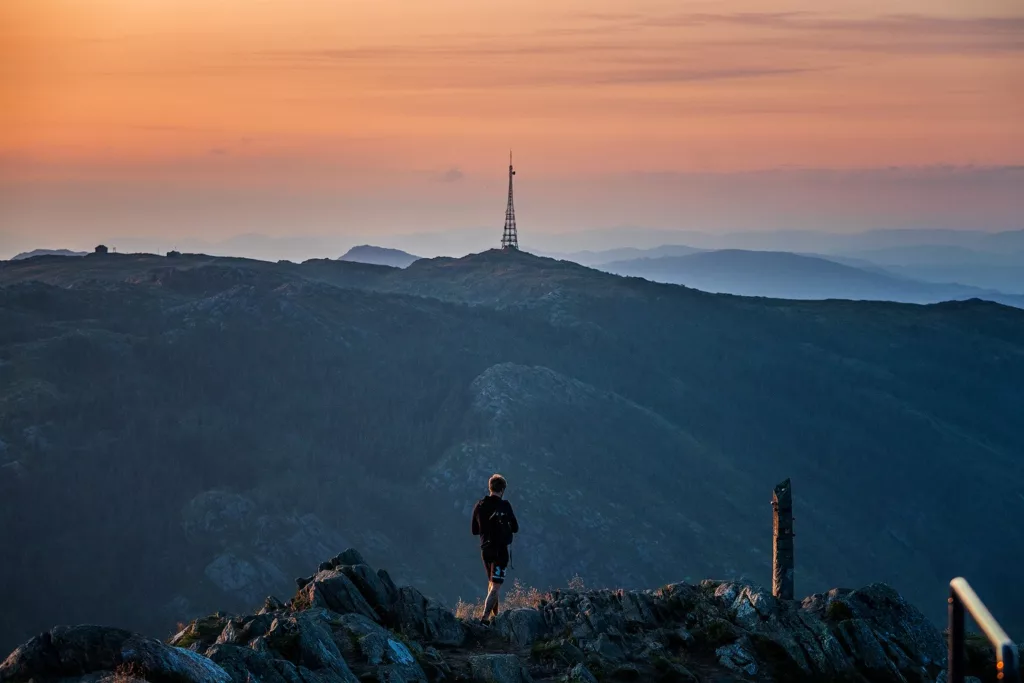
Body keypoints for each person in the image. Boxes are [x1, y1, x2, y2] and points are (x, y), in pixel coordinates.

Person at [471, 473, 519, 624]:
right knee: (496, 587)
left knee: (492, 584)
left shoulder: (479, 505)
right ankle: (485, 619)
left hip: (486, 550)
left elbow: (474, 530)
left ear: (489, 487)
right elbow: (516, 528)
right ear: (503, 489)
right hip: (501, 551)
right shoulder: (505, 506)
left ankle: (495, 617)